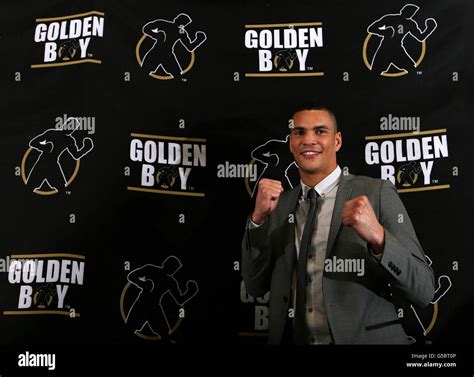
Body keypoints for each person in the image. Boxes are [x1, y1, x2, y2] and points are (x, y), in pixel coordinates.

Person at [241, 102, 435, 344]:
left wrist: (379, 237)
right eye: (299, 132)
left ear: (337, 141)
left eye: (320, 131)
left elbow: (424, 290)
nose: (308, 140)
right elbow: (255, 285)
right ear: (291, 143)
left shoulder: (376, 192)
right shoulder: (277, 205)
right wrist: (258, 219)